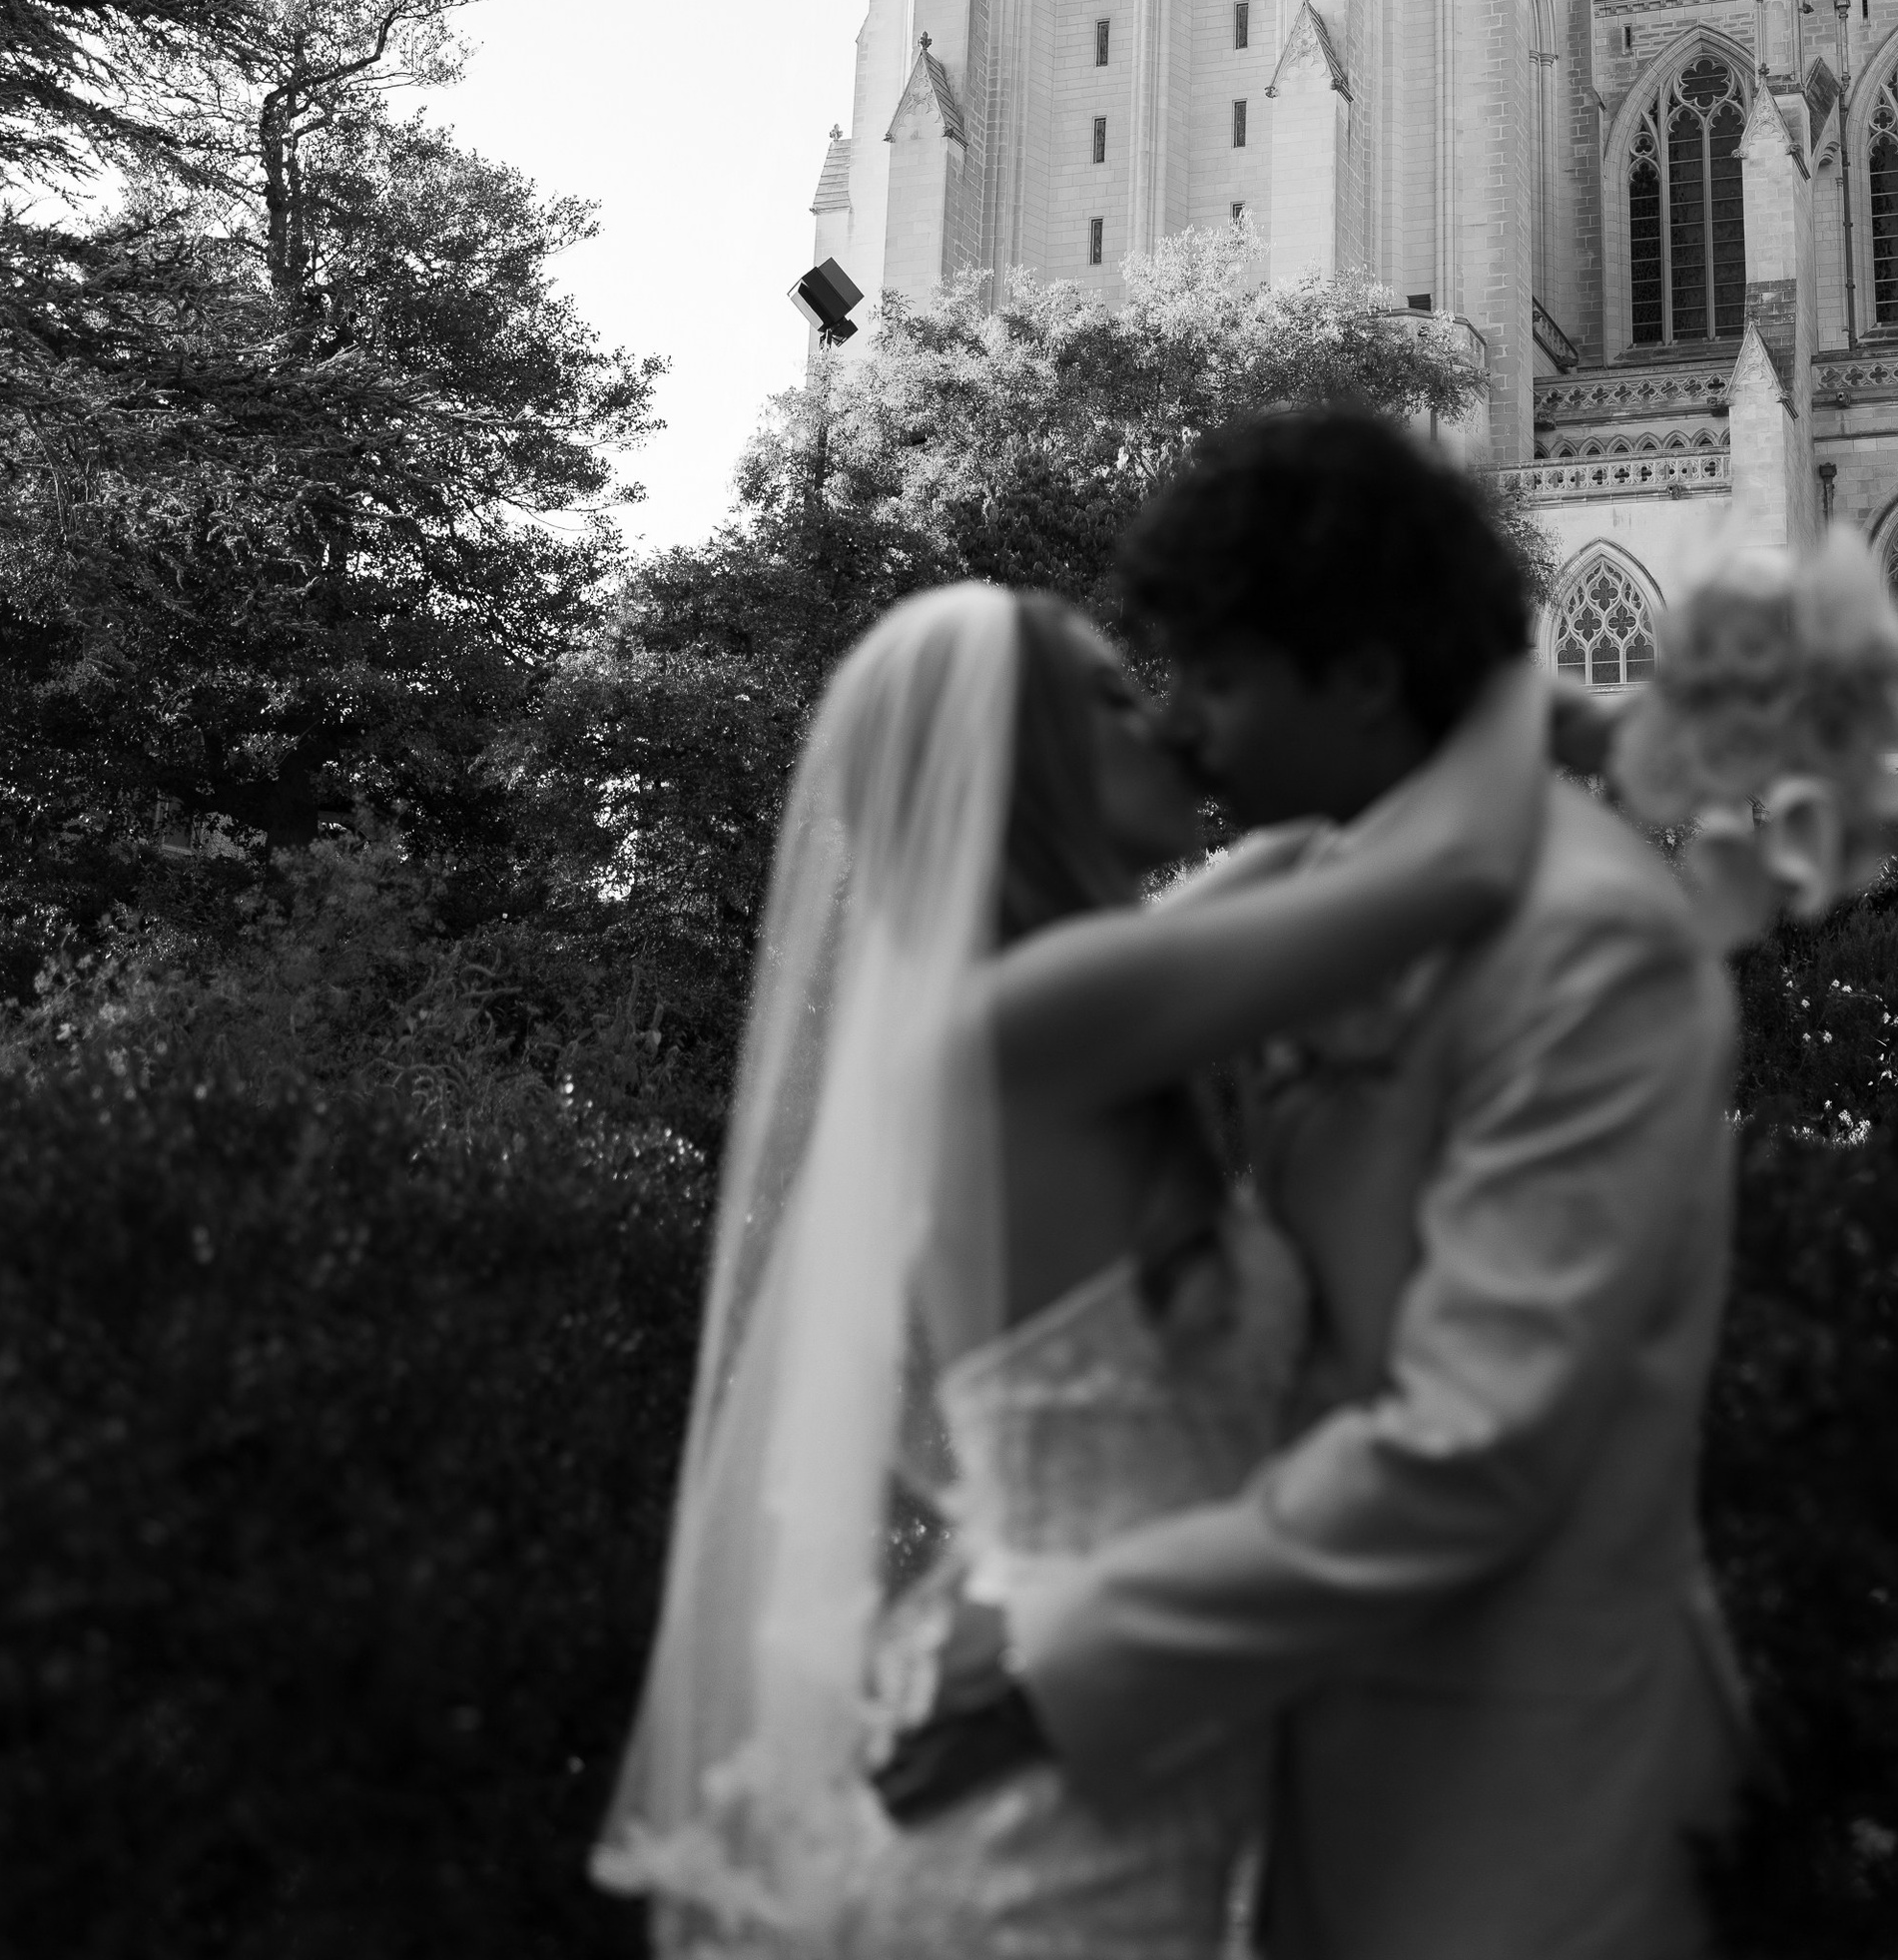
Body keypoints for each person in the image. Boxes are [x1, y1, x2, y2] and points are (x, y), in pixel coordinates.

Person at [591, 552, 1545, 1958]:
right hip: (1047, 1841)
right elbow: (1455, 861)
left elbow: (1291, 862)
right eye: (1110, 698)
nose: (1162, 722)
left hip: (1102, 1754)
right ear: (1021, 769)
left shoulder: (1047, 1004)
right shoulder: (1033, 1016)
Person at [884, 410, 1747, 1960]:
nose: (1185, 728)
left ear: (1354, 677)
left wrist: (1061, 1663)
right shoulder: (1305, 888)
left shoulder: (1588, 937)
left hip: (1501, 1795)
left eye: (1215, 678)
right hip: (1243, 1768)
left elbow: (1475, 1448)